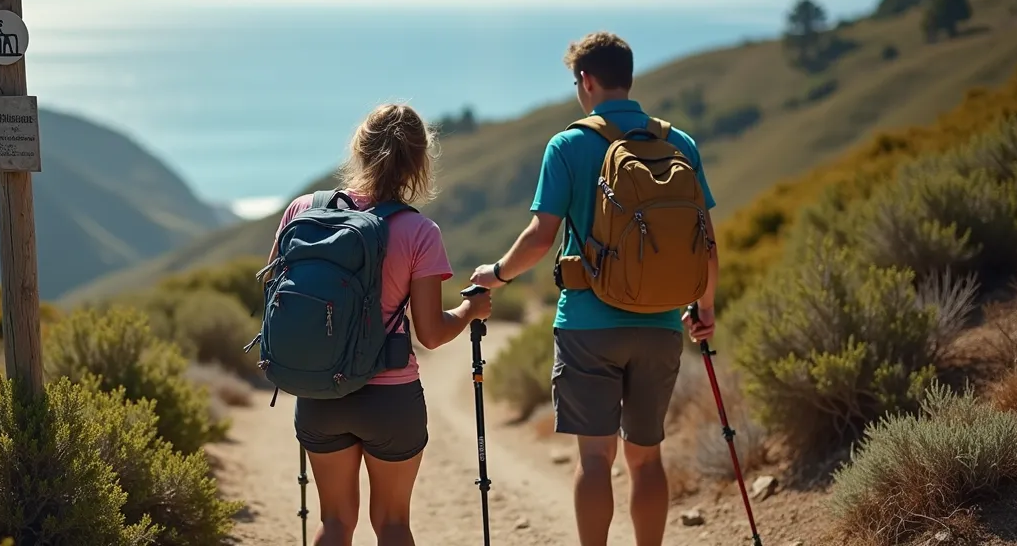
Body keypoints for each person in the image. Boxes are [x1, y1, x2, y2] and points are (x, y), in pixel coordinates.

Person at [469, 31, 718, 546]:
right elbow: (706, 242)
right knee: (646, 458)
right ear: (627, 78)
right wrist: (704, 308)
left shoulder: (569, 144)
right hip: (661, 325)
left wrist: (498, 274)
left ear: (586, 80)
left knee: (595, 458)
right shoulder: (680, 143)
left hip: (588, 324)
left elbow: (541, 238)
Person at [267, 102, 492, 546]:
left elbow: (277, 295)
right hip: (391, 400)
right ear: (419, 161)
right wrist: (470, 312)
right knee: (392, 525)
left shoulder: (302, 211)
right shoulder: (419, 231)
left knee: (334, 523)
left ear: (359, 150)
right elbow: (430, 333)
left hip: (319, 393)